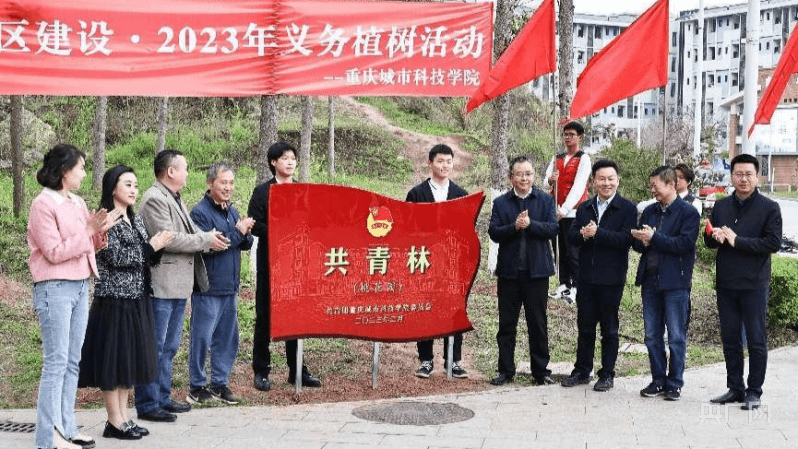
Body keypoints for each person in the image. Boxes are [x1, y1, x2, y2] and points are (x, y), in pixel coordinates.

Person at [28, 144, 118, 449]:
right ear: (64, 170)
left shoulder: (77, 202)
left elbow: (83, 245)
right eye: (80, 167)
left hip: (80, 285)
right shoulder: (43, 204)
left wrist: (98, 235)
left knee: (71, 361)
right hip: (54, 287)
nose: (83, 172)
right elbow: (54, 253)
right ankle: (48, 437)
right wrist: (87, 233)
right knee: (55, 362)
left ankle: (67, 427)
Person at [78, 165, 174, 440]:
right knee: (113, 361)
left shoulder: (137, 219)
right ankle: (114, 420)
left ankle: (123, 418)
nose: (134, 190)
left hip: (137, 296)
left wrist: (158, 245)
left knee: (127, 361)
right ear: (113, 189)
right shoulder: (105, 219)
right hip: (114, 299)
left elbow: (145, 258)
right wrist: (151, 247)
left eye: (135, 185)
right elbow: (117, 258)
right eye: (127, 185)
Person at [135, 150, 228, 423]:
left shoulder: (173, 197)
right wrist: (205, 240)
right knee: (156, 345)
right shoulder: (154, 199)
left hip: (177, 286)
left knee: (170, 345)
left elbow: (184, 235)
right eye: (184, 167)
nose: (188, 172)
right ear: (171, 171)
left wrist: (206, 238)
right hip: (162, 285)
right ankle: (148, 402)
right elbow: (170, 240)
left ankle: (162, 398)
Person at [705, 154, 782, 410]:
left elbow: (772, 243)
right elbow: (708, 240)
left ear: (757, 176)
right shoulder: (722, 205)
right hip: (726, 283)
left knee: (756, 339)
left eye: (748, 174)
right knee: (730, 339)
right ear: (732, 176)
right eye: (738, 174)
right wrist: (714, 236)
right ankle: (735, 388)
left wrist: (737, 241)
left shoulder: (770, 208)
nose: (743, 179)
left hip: (754, 284)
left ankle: (754, 391)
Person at [249, 142, 321, 391]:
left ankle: (297, 369)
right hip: (270, 263)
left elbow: (313, 222)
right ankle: (261, 371)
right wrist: (282, 232)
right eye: (284, 158)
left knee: (296, 316)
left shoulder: (302, 191)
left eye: (292, 158)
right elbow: (254, 224)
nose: (290, 162)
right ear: (273, 162)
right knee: (265, 317)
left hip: (297, 265)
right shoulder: (262, 192)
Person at [561, 160, 637, 392]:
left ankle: (607, 374)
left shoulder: (627, 208)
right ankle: (582, 370)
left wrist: (599, 233)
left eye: (610, 178)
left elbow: (627, 240)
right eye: (601, 179)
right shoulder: (585, 208)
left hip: (612, 278)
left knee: (609, 328)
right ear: (593, 181)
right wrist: (583, 234)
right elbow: (571, 237)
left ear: (618, 180)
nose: (606, 183)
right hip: (585, 277)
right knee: (585, 326)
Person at [187, 162, 254, 405]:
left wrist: (245, 232)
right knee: (201, 337)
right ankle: (196, 385)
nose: (228, 187)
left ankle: (219, 383)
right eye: (223, 182)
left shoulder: (232, 211)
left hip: (230, 287)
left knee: (227, 338)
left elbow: (242, 244)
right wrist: (238, 232)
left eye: (231, 183)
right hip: (208, 287)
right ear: (210, 183)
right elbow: (213, 246)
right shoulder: (200, 213)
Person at [488, 155, 558, 386]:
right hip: (509, 273)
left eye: (528, 173)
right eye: (520, 174)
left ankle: (540, 371)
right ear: (511, 177)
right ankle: (505, 370)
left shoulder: (545, 201)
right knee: (506, 324)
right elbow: (494, 232)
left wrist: (531, 225)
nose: (524, 178)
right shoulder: (501, 203)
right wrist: (514, 227)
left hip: (537, 272)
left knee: (537, 323)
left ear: (533, 176)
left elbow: (552, 229)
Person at [632, 166, 700, 402]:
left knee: (676, 336)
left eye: (656, 186)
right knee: (651, 335)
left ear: (671, 184)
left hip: (676, 282)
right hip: (650, 280)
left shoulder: (689, 213)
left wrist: (654, 238)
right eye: (651, 186)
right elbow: (641, 246)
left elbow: (684, 244)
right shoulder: (649, 211)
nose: (653, 190)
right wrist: (641, 239)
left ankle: (675, 382)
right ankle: (658, 379)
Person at [405, 144, 469, 379]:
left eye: (449, 161)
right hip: (424, 261)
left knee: (454, 310)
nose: (445, 166)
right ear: (430, 163)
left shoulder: (461, 195)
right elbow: (407, 229)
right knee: (426, 310)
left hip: (452, 262)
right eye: (440, 161)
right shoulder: (417, 194)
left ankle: (453, 360)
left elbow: (466, 233)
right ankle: (425, 360)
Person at [543, 121, 591, 303]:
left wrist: (564, 209)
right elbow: (544, 181)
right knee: (559, 249)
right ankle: (564, 284)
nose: (568, 138)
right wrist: (550, 179)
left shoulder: (583, 159)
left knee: (574, 251)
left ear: (579, 137)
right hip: (556, 211)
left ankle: (578, 286)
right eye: (565, 134)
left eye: (571, 134)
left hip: (574, 212)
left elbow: (579, 187)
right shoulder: (557, 158)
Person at [637, 163, 702, 215]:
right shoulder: (663, 197)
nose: (677, 180)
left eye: (681, 177)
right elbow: (640, 207)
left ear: (688, 182)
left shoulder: (694, 202)